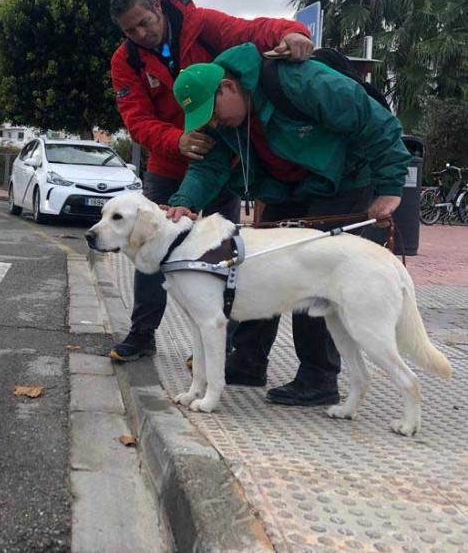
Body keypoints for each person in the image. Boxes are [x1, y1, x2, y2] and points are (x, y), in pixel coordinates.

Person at [166, 42, 409, 406]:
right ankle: (248, 361)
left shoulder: (300, 81)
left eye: (213, 113)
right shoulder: (225, 122)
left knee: (312, 270)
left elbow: (373, 119)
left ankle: (318, 377)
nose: (213, 125)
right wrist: (184, 203)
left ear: (229, 87)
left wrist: (390, 186)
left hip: (342, 177)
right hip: (285, 186)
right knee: (257, 263)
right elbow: (210, 165)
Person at [108, 0, 314, 361]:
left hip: (224, 163)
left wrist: (293, 32)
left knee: (224, 255)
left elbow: (250, 32)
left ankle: (219, 344)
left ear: (156, 6)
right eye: (130, 31)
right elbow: (135, 119)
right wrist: (176, 140)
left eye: (144, 23)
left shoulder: (201, 24)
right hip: (169, 165)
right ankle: (142, 333)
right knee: (148, 247)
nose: (141, 35)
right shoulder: (126, 62)